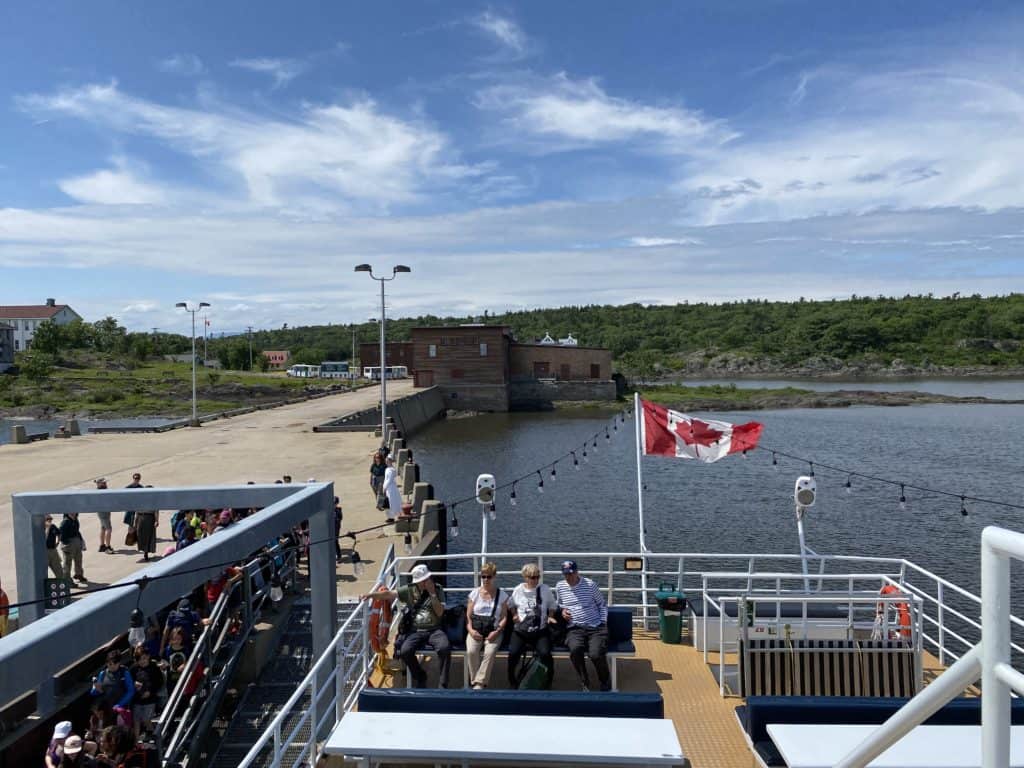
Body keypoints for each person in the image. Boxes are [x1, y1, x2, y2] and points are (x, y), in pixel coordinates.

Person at [359, 564, 449, 688]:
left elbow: (440, 612)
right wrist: (370, 595)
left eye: (427, 579)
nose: (426, 582)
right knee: (405, 651)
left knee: (444, 647)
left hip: (434, 630)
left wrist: (432, 594)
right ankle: (420, 676)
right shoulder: (410, 590)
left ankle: (443, 684)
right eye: (423, 581)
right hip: (416, 630)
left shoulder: (438, 589)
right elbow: (388, 594)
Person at [555, 559, 610, 691]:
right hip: (574, 628)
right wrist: (562, 611)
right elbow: (560, 604)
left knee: (595, 654)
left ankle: (605, 679)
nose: (568, 577)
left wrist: (603, 622)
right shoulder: (560, 586)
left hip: (595, 627)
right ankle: (584, 680)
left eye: (571, 573)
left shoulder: (590, 585)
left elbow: (602, 604)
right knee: (575, 650)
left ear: (577, 572)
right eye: (566, 574)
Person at [507, 562, 557, 689]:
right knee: (513, 653)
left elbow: (552, 605)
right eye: (532, 577)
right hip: (521, 631)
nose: (535, 580)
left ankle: (548, 680)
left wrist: (550, 616)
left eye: (537, 577)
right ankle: (512, 679)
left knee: (545, 654)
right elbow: (511, 604)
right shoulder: (518, 590)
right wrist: (514, 615)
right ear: (525, 577)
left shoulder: (544, 589)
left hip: (540, 631)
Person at [465, 562, 509, 689]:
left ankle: (479, 684)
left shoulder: (502, 596)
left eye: (489, 577)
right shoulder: (474, 594)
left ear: (494, 577)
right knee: (471, 651)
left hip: (494, 630)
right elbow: (468, 616)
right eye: (483, 576)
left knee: (489, 652)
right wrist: (471, 631)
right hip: (476, 629)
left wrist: (497, 631)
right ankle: (476, 682)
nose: (485, 580)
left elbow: (504, 617)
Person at [129, 645, 163, 740]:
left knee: (146, 719)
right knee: (136, 720)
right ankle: (136, 741)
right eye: (139, 659)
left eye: (144, 658)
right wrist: (134, 684)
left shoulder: (153, 667)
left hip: (150, 699)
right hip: (137, 699)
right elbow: (128, 681)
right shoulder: (134, 669)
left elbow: (159, 682)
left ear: (148, 656)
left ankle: (155, 735)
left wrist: (150, 691)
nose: (142, 661)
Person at [59, 512, 86, 583]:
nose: (73, 513)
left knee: (78, 560)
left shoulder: (75, 520)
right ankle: (67, 580)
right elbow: (61, 535)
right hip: (69, 544)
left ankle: (79, 574)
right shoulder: (65, 522)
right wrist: (67, 544)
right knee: (67, 563)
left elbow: (77, 531)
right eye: (71, 512)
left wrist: (81, 541)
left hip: (76, 542)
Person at [133, 490, 158, 562]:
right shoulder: (140, 500)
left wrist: (156, 520)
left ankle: (146, 552)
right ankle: (144, 550)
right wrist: (135, 522)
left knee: (148, 536)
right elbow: (137, 512)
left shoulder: (153, 501)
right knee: (140, 536)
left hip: (150, 518)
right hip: (141, 518)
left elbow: (156, 511)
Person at [94, 478, 114, 554]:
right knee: (109, 529)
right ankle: (107, 547)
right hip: (103, 513)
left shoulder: (100, 491)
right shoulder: (101, 492)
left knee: (103, 528)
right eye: (104, 483)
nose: (106, 484)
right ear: (99, 484)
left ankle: (102, 545)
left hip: (102, 512)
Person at [382, 456, 402, 521]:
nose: (387, 462)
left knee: (391, 502)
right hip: (389, 487)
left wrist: (384, 487)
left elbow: (389, 480)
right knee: (389, 502)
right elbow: (386, 479)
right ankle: (391, 516)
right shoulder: (388, 469)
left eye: (388, 461)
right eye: (386, 461)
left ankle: (392, 517)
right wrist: (384, 486)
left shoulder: (391, 470)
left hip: (390, 488)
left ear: (391, 461)